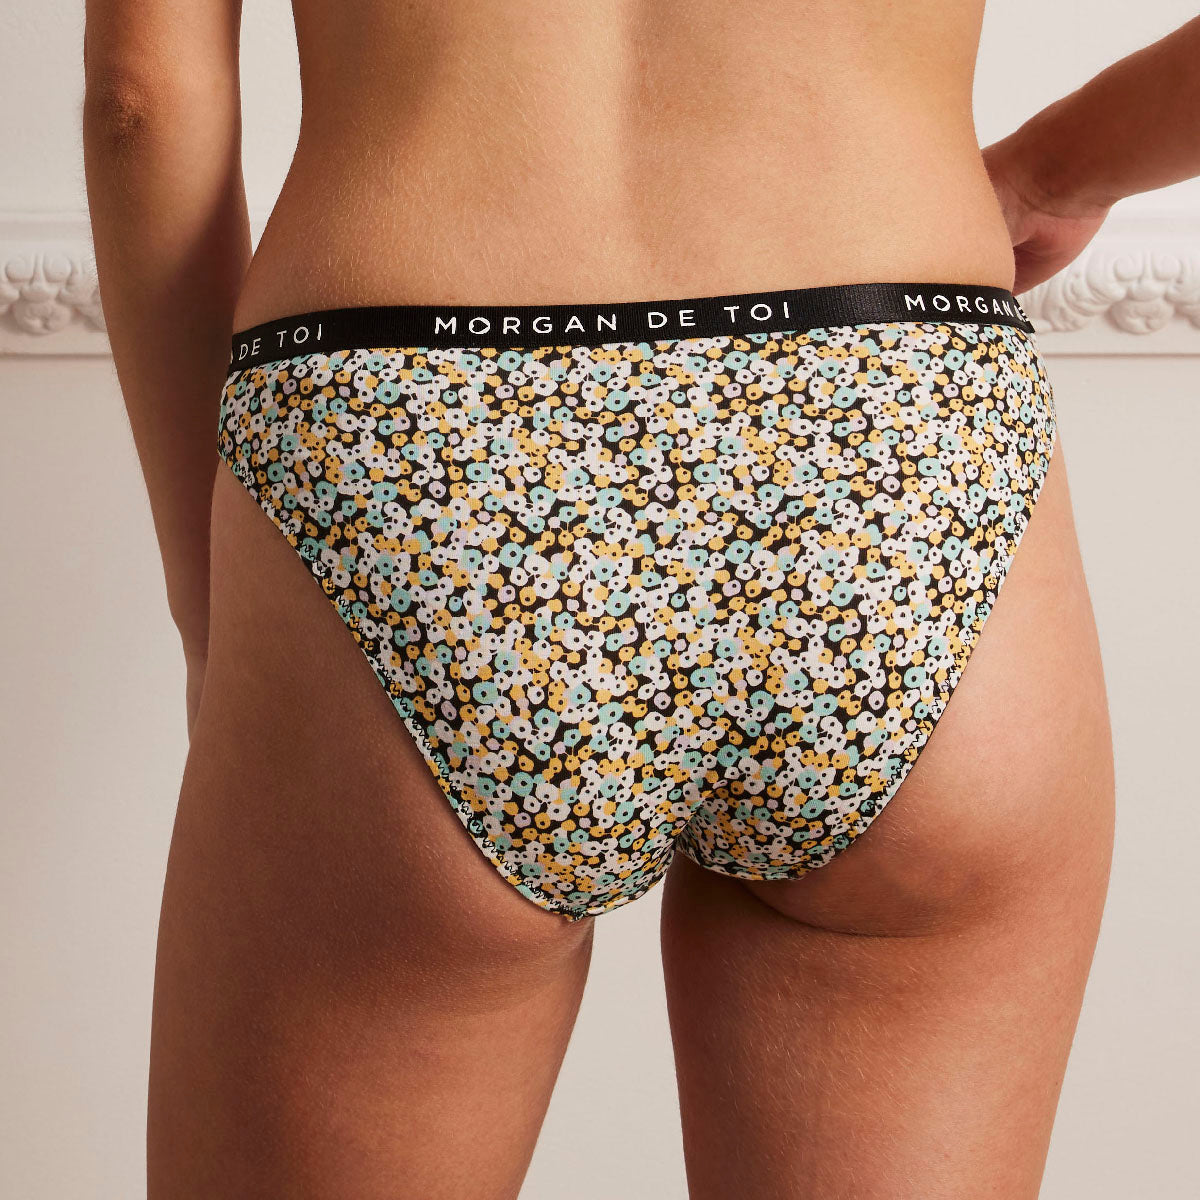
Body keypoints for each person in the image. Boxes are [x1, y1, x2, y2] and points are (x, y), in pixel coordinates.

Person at [81, 4, 1197, 1196]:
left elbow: (140, 101)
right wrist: (1052, 172)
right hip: (897, 427)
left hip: (411, 441)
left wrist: (213, 596)